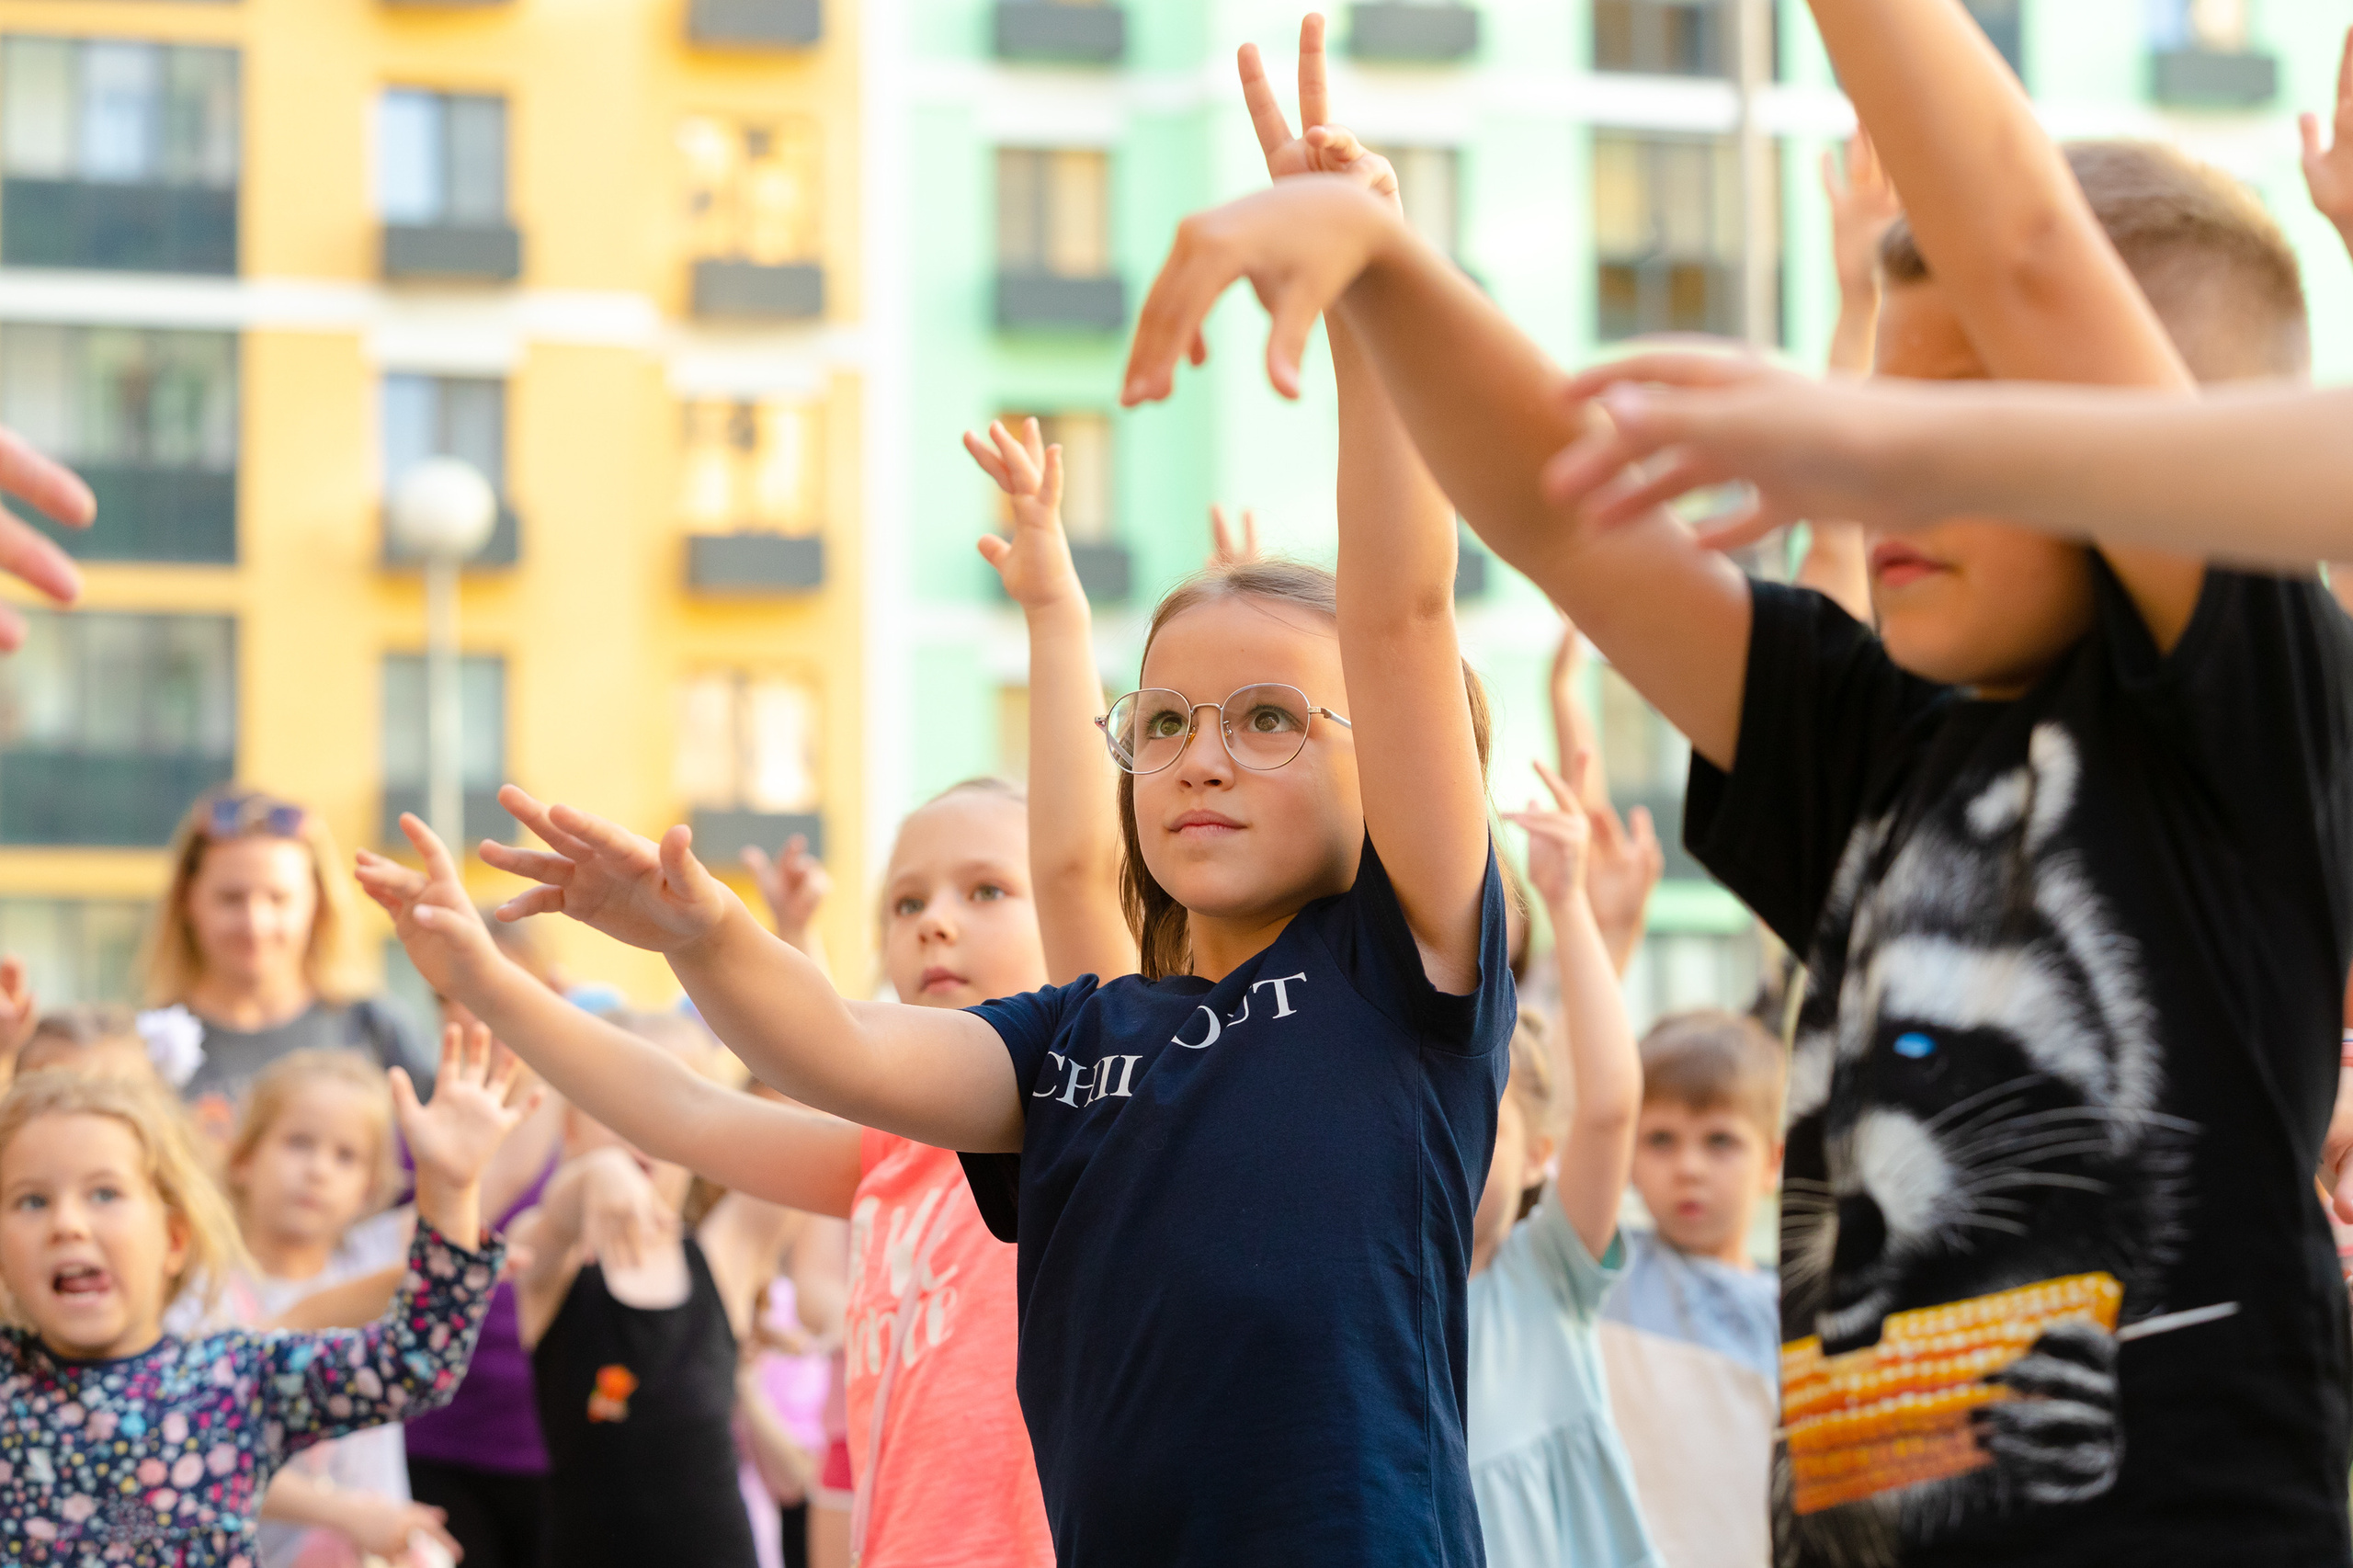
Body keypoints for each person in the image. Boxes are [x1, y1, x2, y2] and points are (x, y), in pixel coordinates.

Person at [1119, 1, 2351, 1559]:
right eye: (1880, 409)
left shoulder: (2241, 717)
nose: (1880, 464)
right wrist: (1392, 269)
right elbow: (1565, 519)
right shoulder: (1874, 744)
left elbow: (2030, 247)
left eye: (1951, 422)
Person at [358, 778, 1060, 1568]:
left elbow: (1077, 870)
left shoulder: (1077, 1135)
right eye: (905, 903)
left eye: (988, 890)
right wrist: (483, 980)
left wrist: (707, 933)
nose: (934, 921)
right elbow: (685, 1113)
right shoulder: (890, 1158)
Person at [0, 1028, 512, 1565]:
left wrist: (452, 1190)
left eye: (104, 1193)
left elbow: (413, 1364)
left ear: (173, 1239)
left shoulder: (234, 1378)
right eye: (32, 1200)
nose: (68, 1224)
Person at [503, 1011, 798, 1568]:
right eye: (615, 1106)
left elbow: (811, 1111)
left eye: (663, 1108)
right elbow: (546, 1231)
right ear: (571, 1127)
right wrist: (594, 1177)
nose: (638, 1128)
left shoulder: (726, 1255)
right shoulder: (551, 1255)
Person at [1470, 755, 1653, 1568]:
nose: (1452, 1157)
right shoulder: (1372, 1299)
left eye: (1485, 1132)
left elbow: (1611, 1106)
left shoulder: (1546, 1273)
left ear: (1542, 1154)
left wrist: (1568, 901)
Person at [222, 1047, 474, 1568]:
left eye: (346, 1156)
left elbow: (460, 1213)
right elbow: (205, 1452)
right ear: (243, 1158)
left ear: (367, 1188)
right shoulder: (206, 1287)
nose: (318, 1170)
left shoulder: (373, 1256)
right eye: (298, 1143)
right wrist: (351, 1515)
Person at [403, 915, 570, 1568]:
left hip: (554, 1438)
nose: (478, 1018)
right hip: (435, 1439)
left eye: (500, 993)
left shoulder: (594, 1126)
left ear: (549, 990)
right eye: (457, 998)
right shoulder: (412, 1132)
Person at [1598, 1010, 1786, 1568]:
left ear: (1773, 1160)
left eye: (1720, 1141)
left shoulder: (1795, 1315)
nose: (1689, 1167)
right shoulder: (1604, 1272)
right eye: (1660, 1140)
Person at [142, 788, 432, 1112]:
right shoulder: (146, 1047)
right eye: (230, 898)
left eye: (279, 899)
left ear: (318, 903)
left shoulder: (374, 1030)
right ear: (187, 899)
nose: (255, 924)